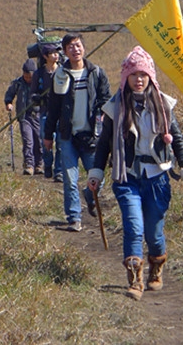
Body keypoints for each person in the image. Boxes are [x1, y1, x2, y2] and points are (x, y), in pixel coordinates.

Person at [87, 46, 183, 301]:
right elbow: (104, 145)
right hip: (127, 177)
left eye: (143, 74)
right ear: (126, 78)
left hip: (157, 177)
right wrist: (96, 173)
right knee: (133, 227)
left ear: (150, 77)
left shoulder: (164, 105)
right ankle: (135, 279)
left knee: (153, 232)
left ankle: (156, 266)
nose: (138, 79)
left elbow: (177, 139)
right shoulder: (114, 108)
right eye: (134, 74)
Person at [44, 33, 111, 232]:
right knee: (69, 178)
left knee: (98, 178)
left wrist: (103, 120)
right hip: (67, 135)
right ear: (64, 51)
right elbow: (53, 107)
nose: (75, 49)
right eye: (70, 46)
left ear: (84, 48)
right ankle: (74, 217)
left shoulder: (96, 73)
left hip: (91, 135)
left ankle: (89, 196)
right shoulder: (61, 75)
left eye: (78, 45)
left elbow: (106, 100)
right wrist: (48, 136)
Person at [5, 58, 44, 175]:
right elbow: (9, 94)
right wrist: (8, 103)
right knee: (28, 141)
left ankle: (39, 164)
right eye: (26, 76)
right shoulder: (18, 83)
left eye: (30, 77)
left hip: (37, 115)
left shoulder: (40, 83)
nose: (28, 79)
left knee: (39, 140)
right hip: (24, 116)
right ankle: (29, 164)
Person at [32, 43, 63, 182]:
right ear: (45, 56)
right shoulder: (39, 74)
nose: (56, 55)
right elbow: (33, 93)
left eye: (57, 52)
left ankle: (59, 171)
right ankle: (48, 164)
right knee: (46, 142)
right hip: (45, 112)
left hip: (61, 113)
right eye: (52, 53)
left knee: (62, 144)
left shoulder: (62, 72)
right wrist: (36, 98)